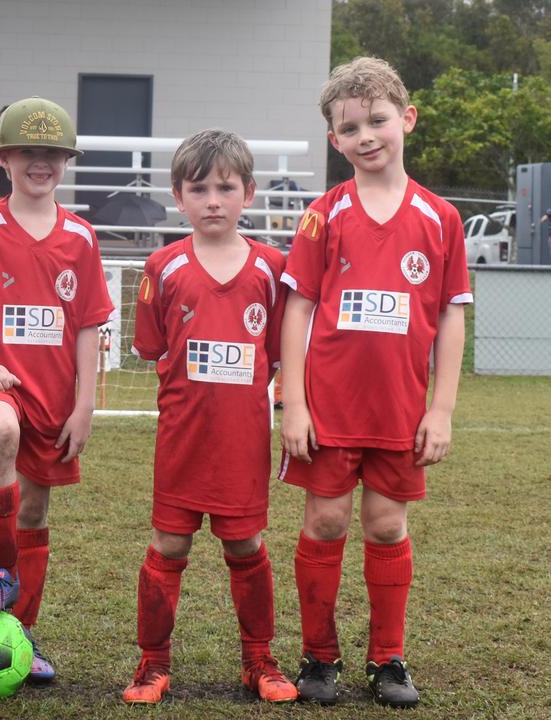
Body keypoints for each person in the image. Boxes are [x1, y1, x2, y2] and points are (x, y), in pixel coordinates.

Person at [280, 56, 470, 709]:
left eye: (377, 120)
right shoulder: (321, 215)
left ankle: (388, 658)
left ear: (406, 119)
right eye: (350, 126)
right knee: (327, 521)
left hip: (397, 412)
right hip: (327, 409)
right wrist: (293, 405)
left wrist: (439, 409)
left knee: (386, 527)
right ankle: (318, 657)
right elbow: (298, 308)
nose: (366, 135)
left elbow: (449, 316)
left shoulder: (439, 219)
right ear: (334, 140)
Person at [121, 129, 295, 705]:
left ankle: (259, 660)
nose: (213, 200)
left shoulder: (273, 268)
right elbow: (153, 349)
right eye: (199, 188)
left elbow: (278, 352)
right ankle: (152, 665)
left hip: (243, 441)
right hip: (182, 438)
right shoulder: (162, 266)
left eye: (226, 187)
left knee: (245, 545)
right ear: (178, 195)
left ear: (249, 191)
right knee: (169, 546)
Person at [0, 98, 113, 684]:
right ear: (3, 159)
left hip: (55, 394)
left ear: (66, 162)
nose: (39, 164)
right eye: (28, 152)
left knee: (35, 507)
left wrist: (85, 405)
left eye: (51, 154)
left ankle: (19, 628)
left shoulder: (81, 237)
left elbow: (89, 323)